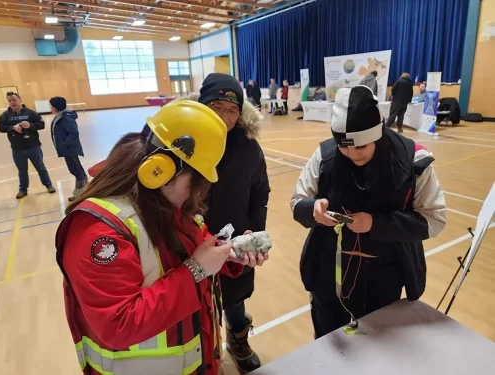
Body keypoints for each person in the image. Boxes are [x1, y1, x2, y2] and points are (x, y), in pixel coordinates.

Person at [55, 100, 270, 375]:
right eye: (197, 183)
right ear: (162, 169)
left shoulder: (166, 204)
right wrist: (196, 268)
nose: (199, 194)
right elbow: (117, 324)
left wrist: (229, 253)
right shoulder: (98, 231)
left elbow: (197, 249)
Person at [290, 85, 446, 338]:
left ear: (378, 134)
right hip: (329, 273)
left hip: (385, 275)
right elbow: (298, 202)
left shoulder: (413, 161)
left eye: (361, 147)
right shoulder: (325, 155)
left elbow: (434, 219)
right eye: (344, 147)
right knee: (330, 341)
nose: (352, 154)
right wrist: (313, 210)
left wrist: (376, 223)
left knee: (379, 345)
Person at [181, 73, 269, 373]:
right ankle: (200, 350)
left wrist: (254, 233)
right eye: (216, 106)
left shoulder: (248, 148)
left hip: (233, 243)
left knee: (235, 298)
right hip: (187, 242)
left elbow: (260, 193)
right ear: (203, 104)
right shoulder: (180, 139)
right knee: (190, 301)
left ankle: (238, 340)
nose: (224, 116)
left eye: (232, 110)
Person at [0, 91, 55, 199]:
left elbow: (41, 124)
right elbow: (0, 127)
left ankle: (48, 185)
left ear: (20, 99)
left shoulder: (31, 113)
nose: (12, 102)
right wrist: (12, 128)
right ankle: (23, 189)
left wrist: (30, 125)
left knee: (41, 168)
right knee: (22, 170)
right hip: (17, 148)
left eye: (14, 100)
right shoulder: (5, 115)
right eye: (9, 101)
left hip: (33, 146)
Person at [49, 96, 88, 202]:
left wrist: (66, 145)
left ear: (55, 107)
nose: (50, 107)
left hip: (70, 149)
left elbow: (74, 132)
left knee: (75, 170)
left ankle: (80, 194)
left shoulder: (66, 117)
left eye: (51, 105)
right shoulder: (60, 116)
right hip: (68, 149)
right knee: (78, 168)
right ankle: (85, 191)